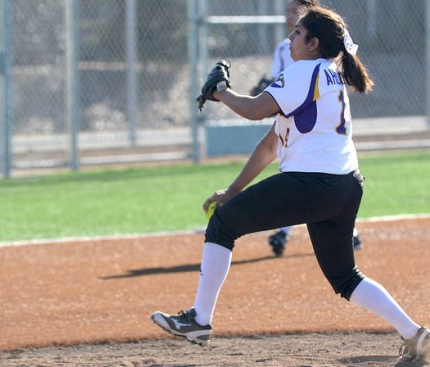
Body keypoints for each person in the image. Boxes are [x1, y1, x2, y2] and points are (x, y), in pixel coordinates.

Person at [151, 6, 429, 363]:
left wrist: (220, 92)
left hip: (312, 183)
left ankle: (199, 320)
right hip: (345, 186)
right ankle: (415, 335)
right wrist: (234, 190)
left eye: (298, 33)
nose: (290, 37)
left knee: (223, 225)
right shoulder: (328, 73)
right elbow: (270, 144)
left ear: (314, 43)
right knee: (345, 277)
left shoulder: (305, 70)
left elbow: (253, 109)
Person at [252, 0, 363, 257]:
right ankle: (335, 227)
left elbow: (259, 107)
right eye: (288, 11)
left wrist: (224, 93)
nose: (289, 16)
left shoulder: (320, 58)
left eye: (295, 12)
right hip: (290, 106)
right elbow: (279, 80)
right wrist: (265, 91)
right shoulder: (288, 49)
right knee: (307, 172)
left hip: (305, 113)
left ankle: (289, 230)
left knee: (303, 173)